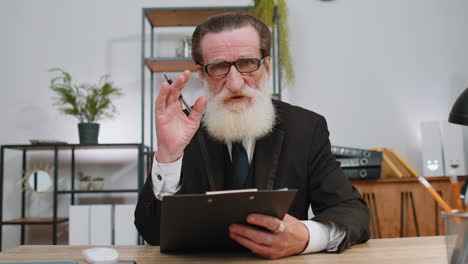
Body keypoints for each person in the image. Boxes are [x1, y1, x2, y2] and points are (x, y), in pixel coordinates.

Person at [135, 12, 370, 259]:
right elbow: (152, 233)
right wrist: (169, 157)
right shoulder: (183, 130)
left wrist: (306, 236)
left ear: (266, 67)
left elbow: (353, 212)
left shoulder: (307, 128)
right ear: (202, 75)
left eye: (247, 63)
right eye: (219, 67)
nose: (235, 83)